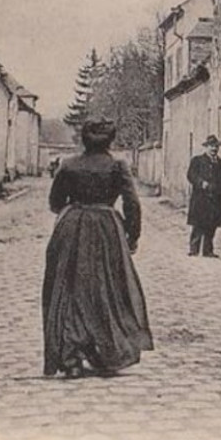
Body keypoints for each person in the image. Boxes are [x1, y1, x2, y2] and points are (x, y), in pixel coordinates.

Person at [42, 119, 153, 379]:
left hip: (72, 228)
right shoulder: (117, 166)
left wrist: (74, 212)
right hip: (107, 229)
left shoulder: (68, 165)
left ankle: (71, 357)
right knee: (107, 289)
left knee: (70, 289)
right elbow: (132, 203)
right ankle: (106, 351)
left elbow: (55, 202)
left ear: (83, 139)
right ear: (110, 140)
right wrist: (131, 235)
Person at [186, 135, 221, 258]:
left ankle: (208, 250)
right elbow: (191, 175)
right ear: (206, 147)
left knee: (212, 226)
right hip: (201, 198)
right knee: (198, 224)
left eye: (216, 146)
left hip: (216, 199)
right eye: (211, 146)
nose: (214, 149)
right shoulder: (197, 161)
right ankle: (194, 249)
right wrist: (201, 183)